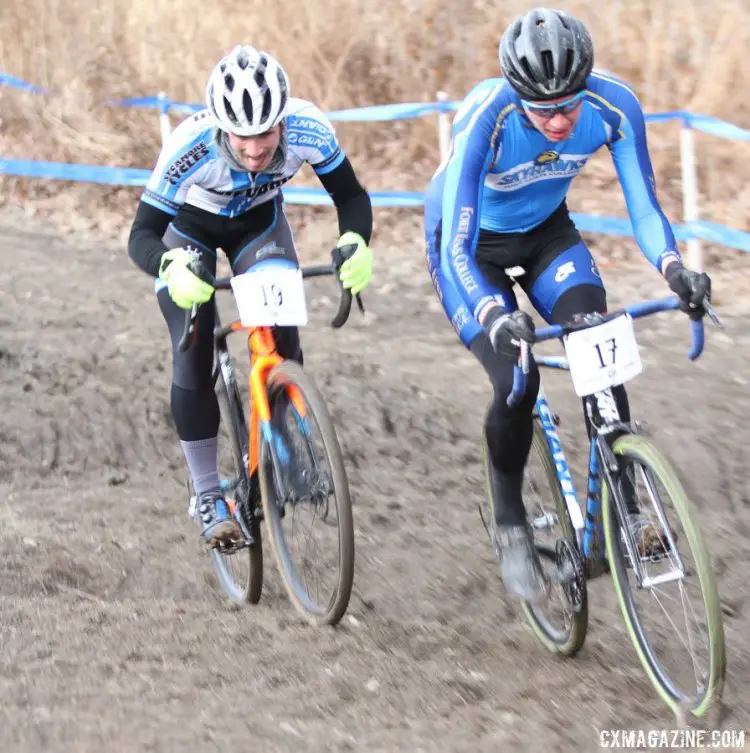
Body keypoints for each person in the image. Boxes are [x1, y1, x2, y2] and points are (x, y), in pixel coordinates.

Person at [423, 8, 711, 601]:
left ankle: (628, 512)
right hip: (470, 247)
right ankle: (509, 526)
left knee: (595, 335)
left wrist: (674, 267)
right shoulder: (488, 116)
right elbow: (455, 243)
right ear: (517, 94)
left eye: (569, 105)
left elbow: (645, 207)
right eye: (543, 109)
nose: (557, 121)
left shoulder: (614, 106)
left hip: (546, 230)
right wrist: (491, 314)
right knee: (517, 379)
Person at [128, 45, 374, 548]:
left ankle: (281, 443)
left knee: (281, 337)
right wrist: (168, 265)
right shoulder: (189, 145)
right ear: (221, 126)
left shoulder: (309, 128)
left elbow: (350, 196)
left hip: (258, 227)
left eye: (266, 132)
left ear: (283, 120)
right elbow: (141, 235)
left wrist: (355, 241)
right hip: (187, 233)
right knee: (193, 347)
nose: (256, 148)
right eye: (242, 135)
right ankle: (206, 493)